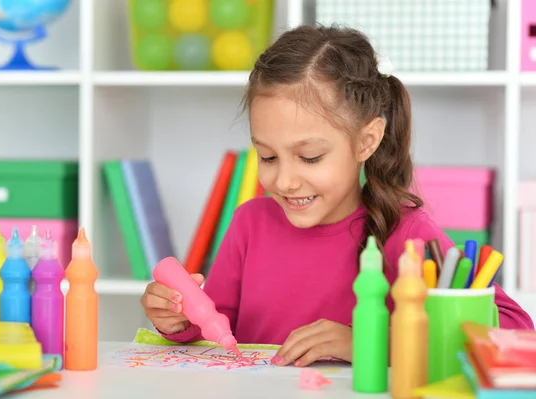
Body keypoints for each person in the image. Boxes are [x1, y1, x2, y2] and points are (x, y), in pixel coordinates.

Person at [140, 24, 534, 368]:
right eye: (268, 156)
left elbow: (515, 329)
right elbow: (213, 326)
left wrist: (366, 341)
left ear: (367, 141)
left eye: (309, 157)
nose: (286, 181)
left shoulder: (405, 230)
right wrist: (177, 320)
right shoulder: (250, 222)